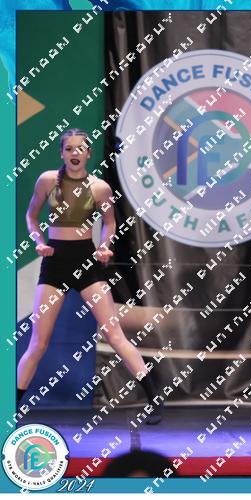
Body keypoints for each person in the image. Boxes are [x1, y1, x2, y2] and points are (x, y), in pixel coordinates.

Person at [18, 128, 163, 425]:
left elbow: (110, 223)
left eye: (80, 148)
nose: (74, 153)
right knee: (39, 342)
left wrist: (105, 246)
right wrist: (38, 242)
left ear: (88, 154)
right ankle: (10, 406)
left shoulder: (100, 188)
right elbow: (31, 216)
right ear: (62, 153)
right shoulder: (47, 180)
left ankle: (155, 401)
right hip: (55, 263)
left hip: (86, 263)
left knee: (114, 334)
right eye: (69, 148)